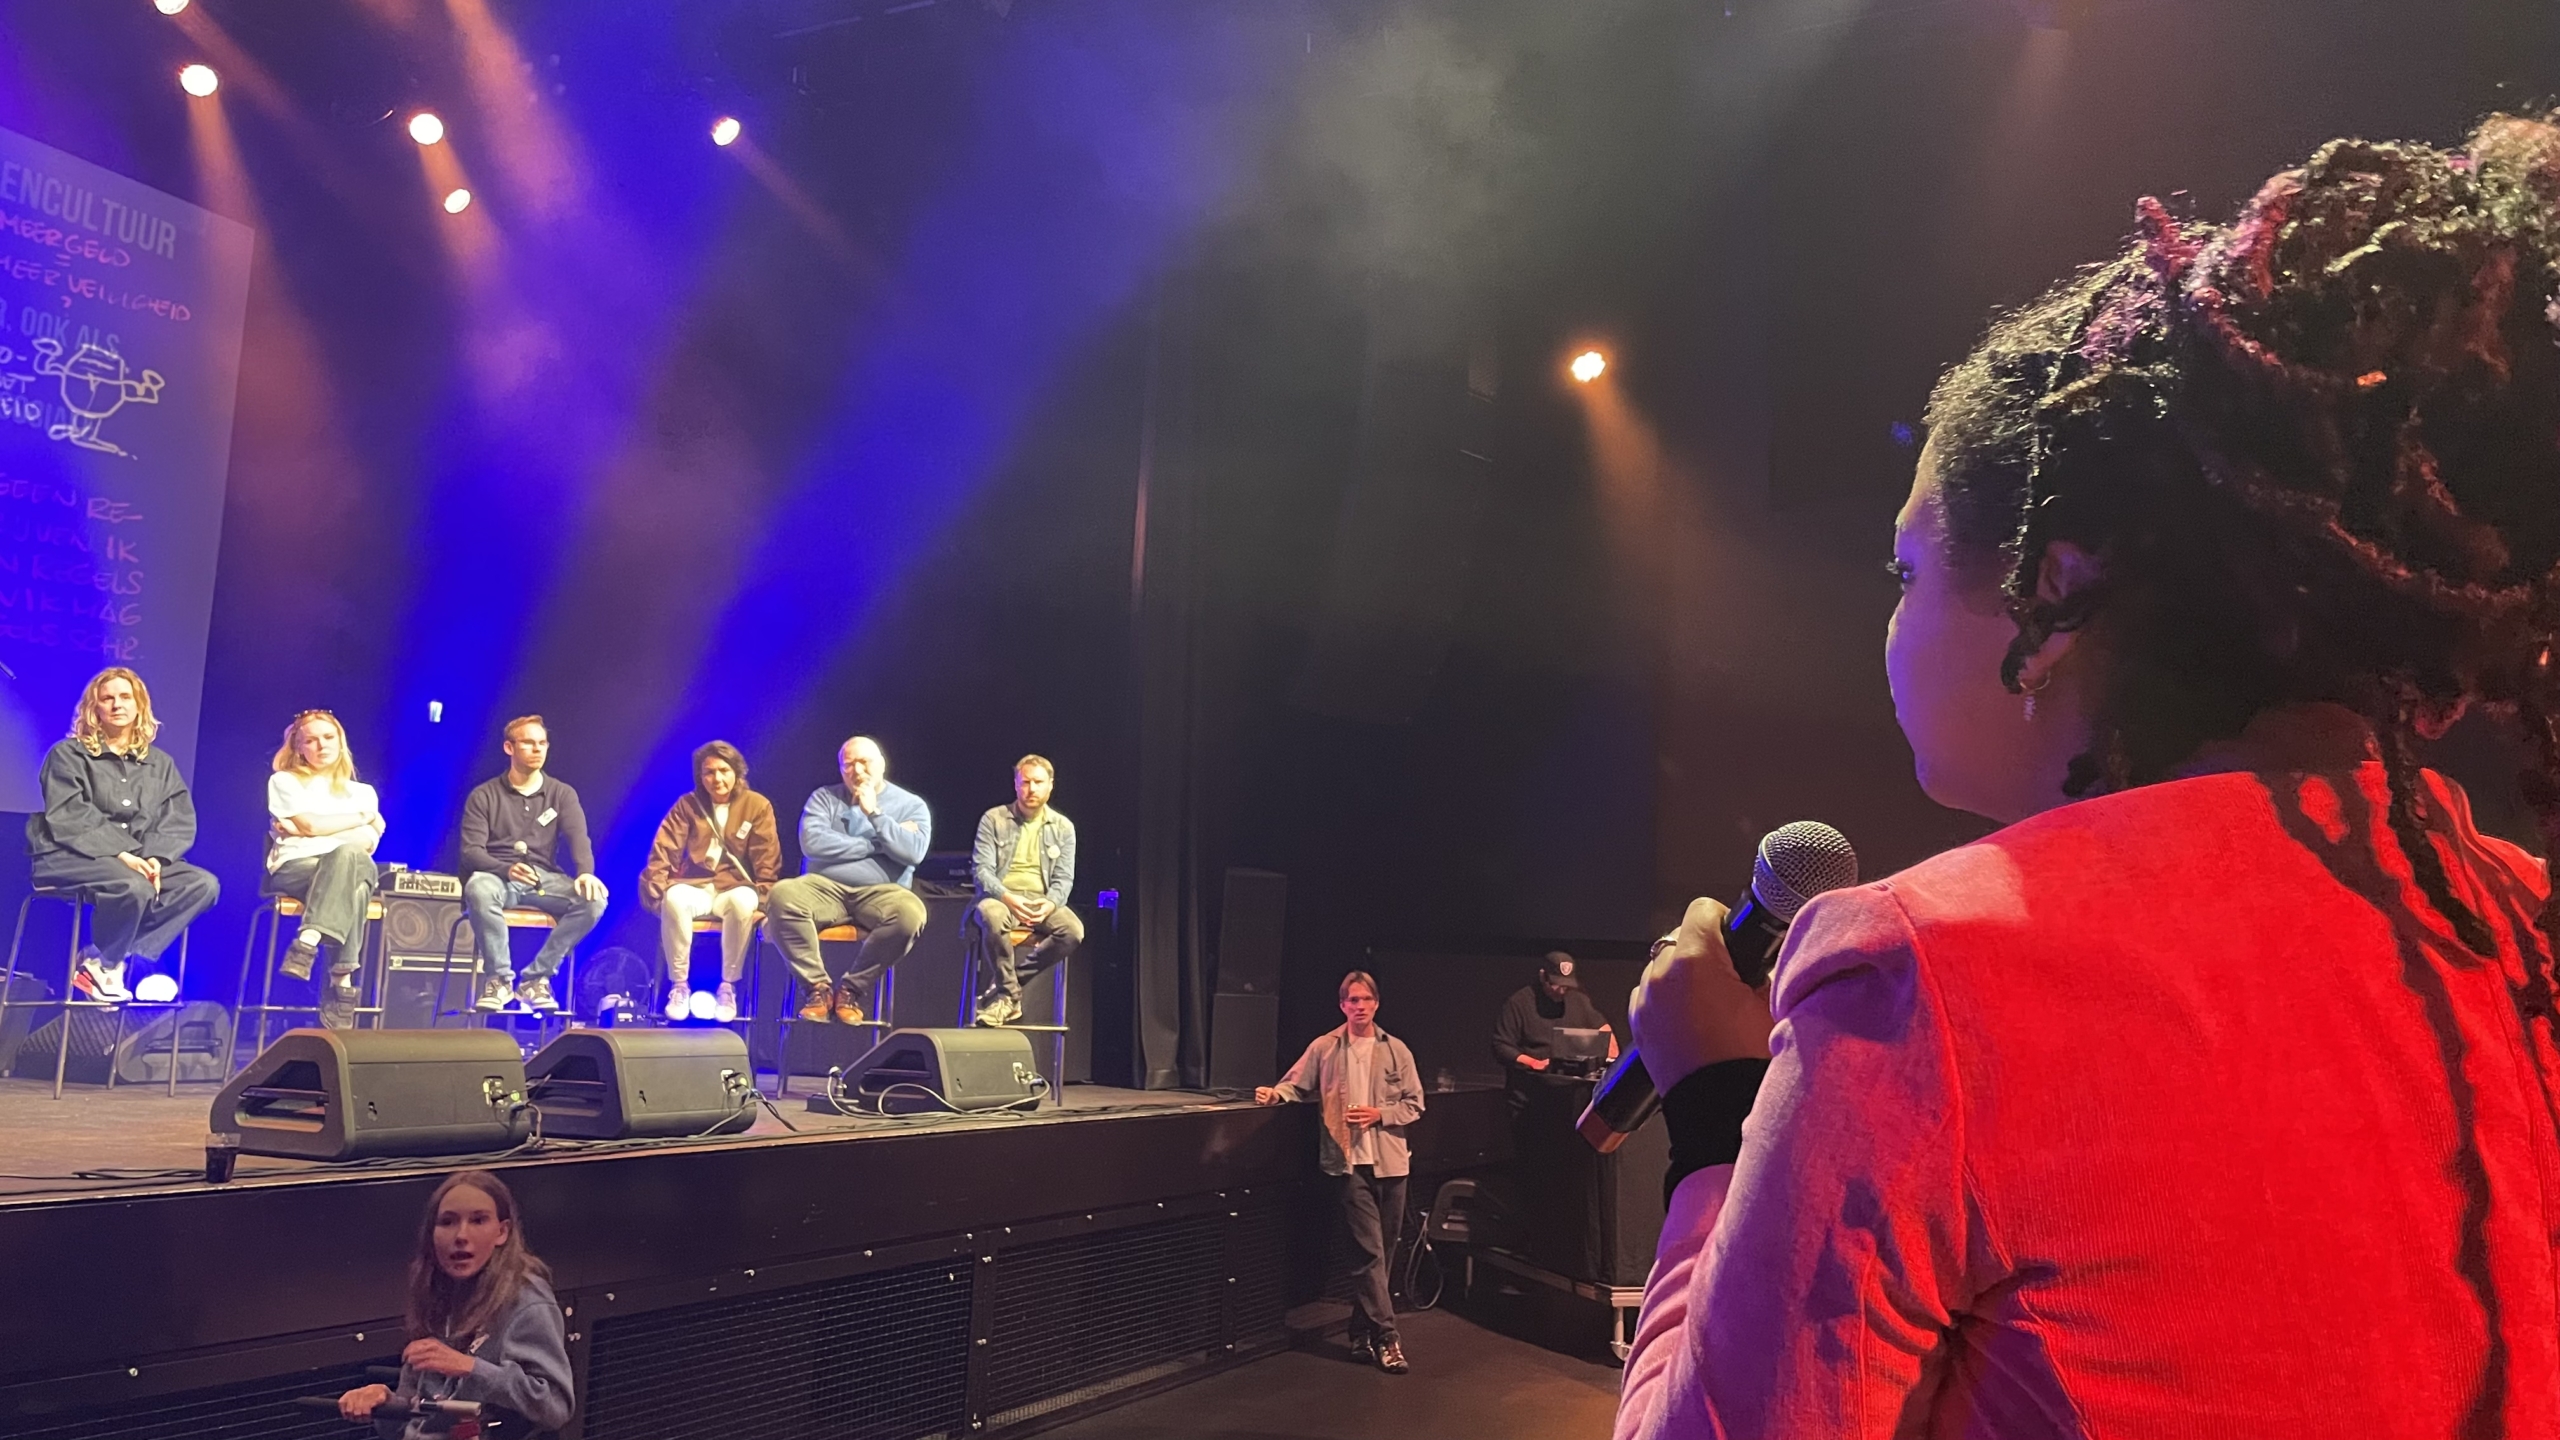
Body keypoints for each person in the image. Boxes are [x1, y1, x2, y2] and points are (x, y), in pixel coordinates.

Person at [1616, 119, 2560, 1437]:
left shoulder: (1927, 968)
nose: (1887, 623)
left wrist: (1717, 1117)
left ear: (2049, 593)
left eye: (1904, 571)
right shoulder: (2520, 931)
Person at [1256, 971, 1425, 1374]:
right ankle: (1388, 1338)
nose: (1360, 1006)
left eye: (1366, 999)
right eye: (1353, 1000)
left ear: (1376, 1003)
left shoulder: (1396, 1049)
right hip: (1348, 1165)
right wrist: (1275, 1093)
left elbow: (1415, 1104)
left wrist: (1379, 1114)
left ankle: (1360, 1334)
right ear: (1342, 1005)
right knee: (1369, 1254)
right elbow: (1295, 1084)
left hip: (1391, 1164)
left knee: (1383, 1256)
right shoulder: (1325, 1047)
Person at [24, 666, 219, 1003]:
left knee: (201, 884)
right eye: (107, 698)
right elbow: (70, 814)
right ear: (94, 708)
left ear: (139, 705)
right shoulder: (68, 754)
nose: (117, 704)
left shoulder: (160, 764)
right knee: (133, 886)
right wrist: (122, 853)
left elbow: (176, 818)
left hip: (138, 859)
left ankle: (108, 959)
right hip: (71, 855)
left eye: (125, 697)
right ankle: (108, 961)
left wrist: (155, 858)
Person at [337, 1169, 573, 1438]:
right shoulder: (435, 1292)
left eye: (478, 1220)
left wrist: (470, 1368)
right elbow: (418, 1415)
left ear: (502, 1232)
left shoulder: (525, 1301)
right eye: (447, 1222)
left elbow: (555, 1407)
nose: (461, 1235)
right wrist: (383, 1402)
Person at [767, 736, 930, 1025]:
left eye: (864, 762)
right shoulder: (824, 798)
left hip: (883, 892)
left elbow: (912, 852)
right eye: (848, 764)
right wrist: (879, 843)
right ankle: (817, 988)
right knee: (782, 895)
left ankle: (851, 990)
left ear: (881, 764)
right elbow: (813, 844)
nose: (857, 771)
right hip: (824, 888)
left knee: (910, 914)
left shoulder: (911, 805)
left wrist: (875, 814)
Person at [456, 716, 607, 1014]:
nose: (537, 749)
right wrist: (505, 869)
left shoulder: (561, 793)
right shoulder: (484, 795)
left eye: (542, 743)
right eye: (528, 743)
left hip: (541, 878)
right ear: (509, 748)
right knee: (479, 888)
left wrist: (586, 873)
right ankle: (499, 980)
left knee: (594, 900)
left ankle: (537, 979)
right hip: (496, 875)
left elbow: (579, 837)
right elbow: (471, 852)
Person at [639, 739, 781, 1023]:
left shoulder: (757, 805)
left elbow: (767, 857)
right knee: (674, 897)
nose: (717, 778)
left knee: (744, 901)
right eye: (709, 772)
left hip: (734, 887)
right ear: (700, 776)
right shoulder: (688, 805)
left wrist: (764, 901)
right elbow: (664, 848)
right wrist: (657, 889)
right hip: (697, 886)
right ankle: (679, 986)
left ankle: (728, 987)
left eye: (724, 771)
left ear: (737, 772)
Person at [264, 709, 385, 1030]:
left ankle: (307, 941)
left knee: (350, 861)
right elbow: (312, 825)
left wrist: (311, 830)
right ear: (298, 747)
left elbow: (366, 843)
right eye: (311, 740)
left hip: (349, 865)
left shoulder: (363, 792)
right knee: (355, 882)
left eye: (328, 737)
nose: (321, 746)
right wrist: (362, 818)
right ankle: (342, 981)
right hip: (297, 868)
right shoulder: (285, 781)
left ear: (340, 741)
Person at [964, 754, 1081, 1027]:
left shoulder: (1063, 827)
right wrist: (1007, 897)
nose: (1031, 789)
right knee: (992, 915)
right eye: (1025, 782)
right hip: (1001, 897)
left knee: (1073, 931)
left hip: (1041, 900)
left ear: (1050, 785)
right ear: (1016, 784)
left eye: (1038, 782)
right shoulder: (994, 819)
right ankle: (1009, 996)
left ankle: (1006, 987)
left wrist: (1051, 903)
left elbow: (1064, 879)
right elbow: (982, 871)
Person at [1490, 951, 1617, 1116]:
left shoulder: (1578, 1000)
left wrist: (1611, 1055)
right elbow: (1501, 1046)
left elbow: (1603, 1027)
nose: (1561, 991)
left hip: (1569, 1099)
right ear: (1543, 976)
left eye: (1566, 986)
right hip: (1530, 1099)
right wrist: (1534, 1063)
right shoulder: (1519, 1003)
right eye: (1556, 985)